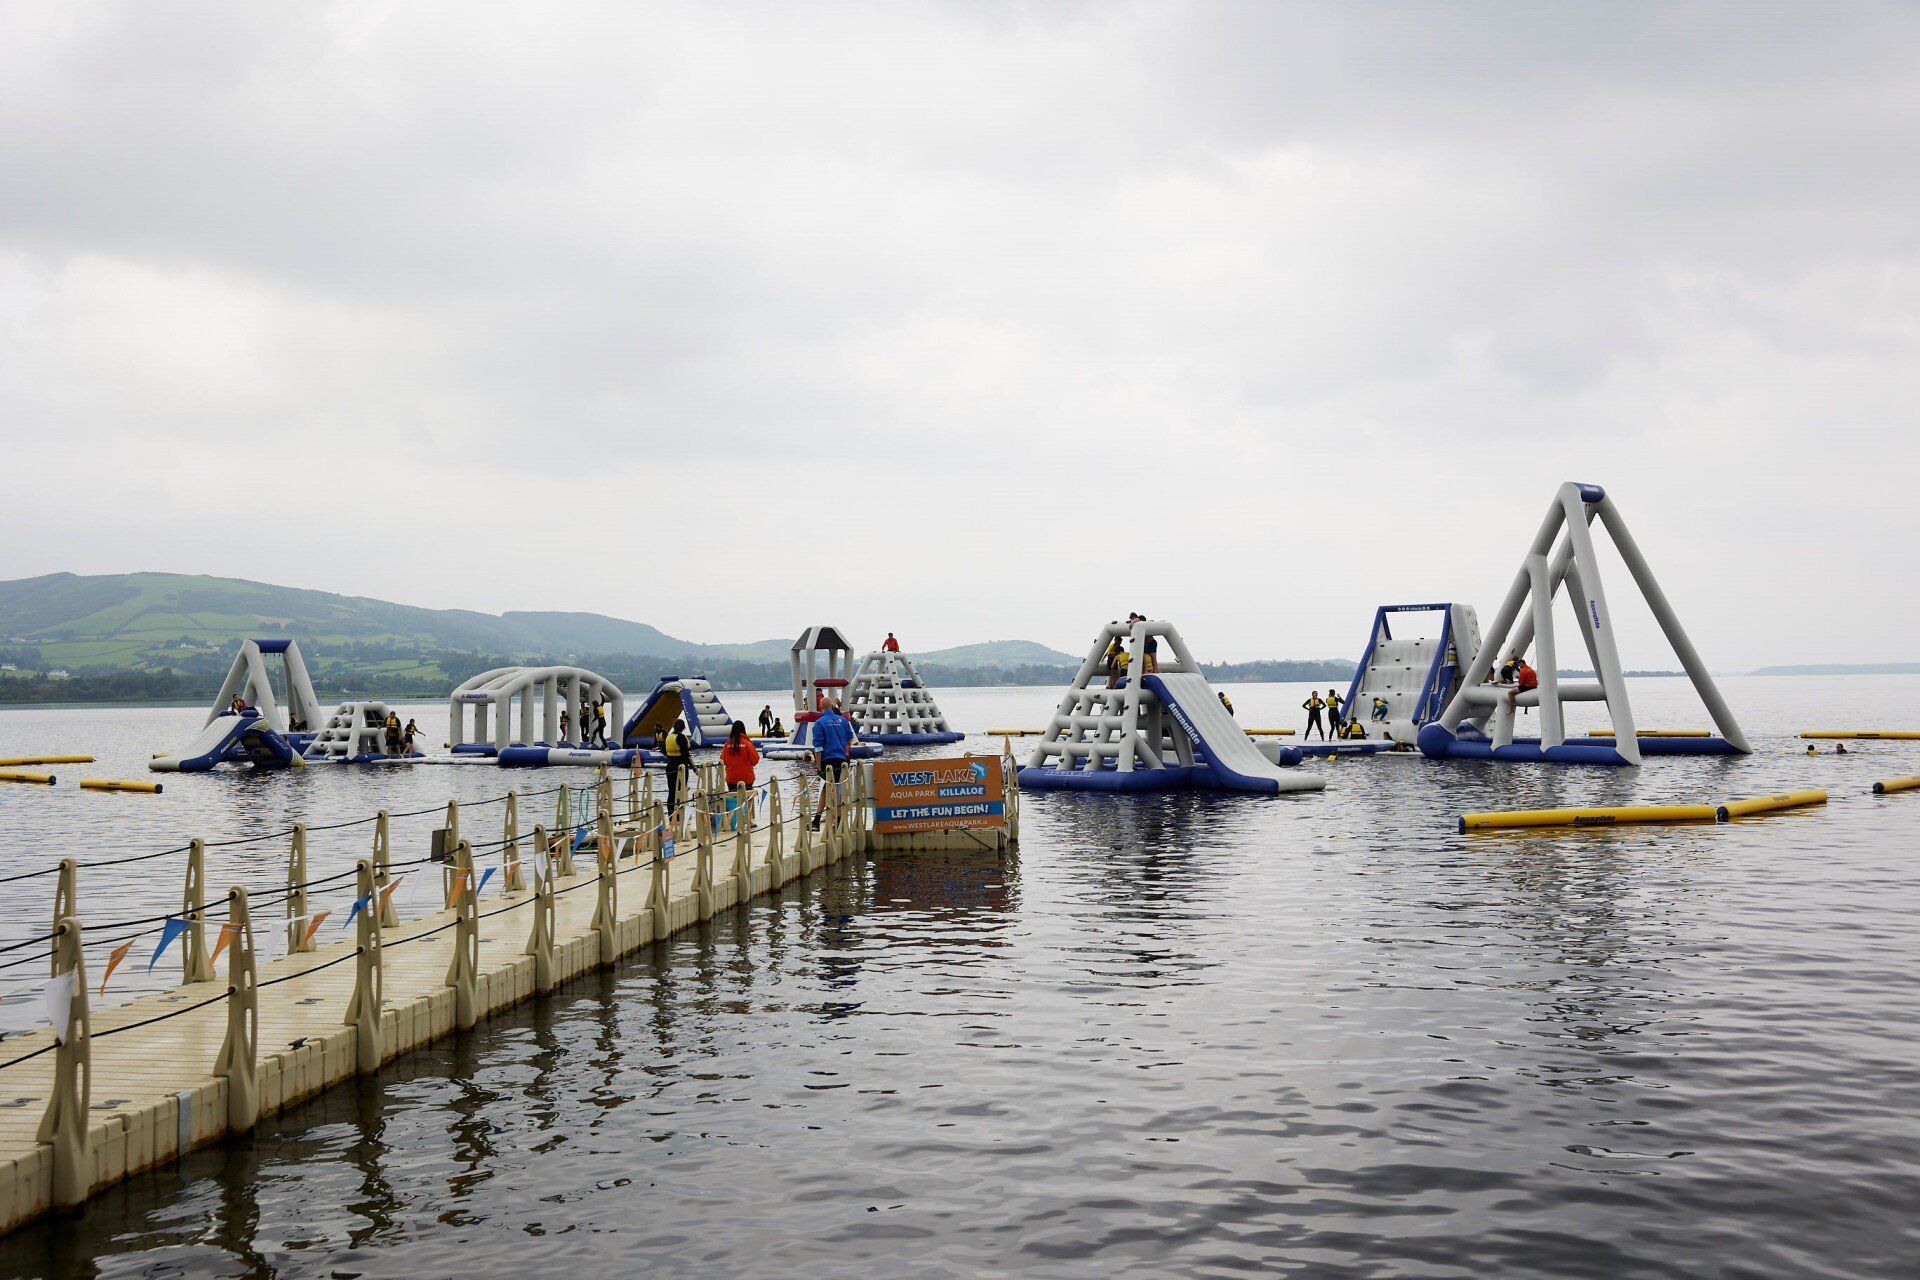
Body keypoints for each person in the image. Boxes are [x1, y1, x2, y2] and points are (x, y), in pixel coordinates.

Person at [809, 700, 856, 829]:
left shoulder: (819, 723)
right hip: (841, 759)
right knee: (836, 790)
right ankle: (824, 820)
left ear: (820, 707)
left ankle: (822, 821)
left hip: (827, 760)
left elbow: (818, 748)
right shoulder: (843, 721)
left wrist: (819, 767)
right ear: (832, 706)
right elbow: (849, 738)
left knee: (829, 790)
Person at [720, 720, 760, 832]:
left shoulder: (727, 744)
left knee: (734, 798)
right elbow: (755, 760)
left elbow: (722, 760)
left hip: (731, 777)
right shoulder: (747, 743)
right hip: (746, 777)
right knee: (748, 798)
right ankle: (748, 821)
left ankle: (731, 821)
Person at [660, 717, 693, 812]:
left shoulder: (669, 737)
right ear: (683, 728)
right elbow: (686, 754)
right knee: (681, 791)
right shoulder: (681, 737)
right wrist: (694, 768)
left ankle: (671, 814)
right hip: (681, 767)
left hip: (670, 766)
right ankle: (679, 815)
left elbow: (663, 749)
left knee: (671, 792)